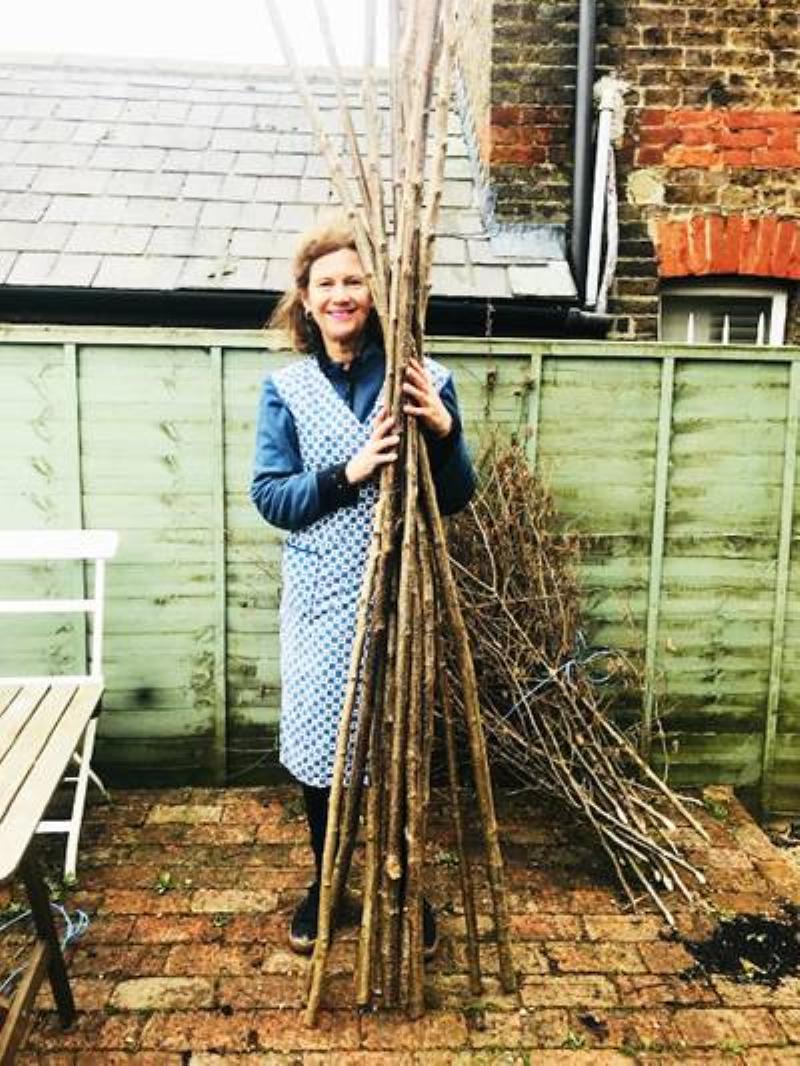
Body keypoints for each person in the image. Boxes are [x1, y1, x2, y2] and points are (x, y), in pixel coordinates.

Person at [250, 217, 476, 956]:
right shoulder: (286, 390)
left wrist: (443, 431)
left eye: (354, 280)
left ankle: (403, 881)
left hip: (401, 599)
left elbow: (455, 497)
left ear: (376, 294)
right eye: (327, 284)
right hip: (319, 601)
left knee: (397, 743)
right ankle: (329, 878)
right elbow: (270, 496)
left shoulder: (421, 378)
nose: (341, 294)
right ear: (307, 303)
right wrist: (349, 474)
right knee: (323, 750)